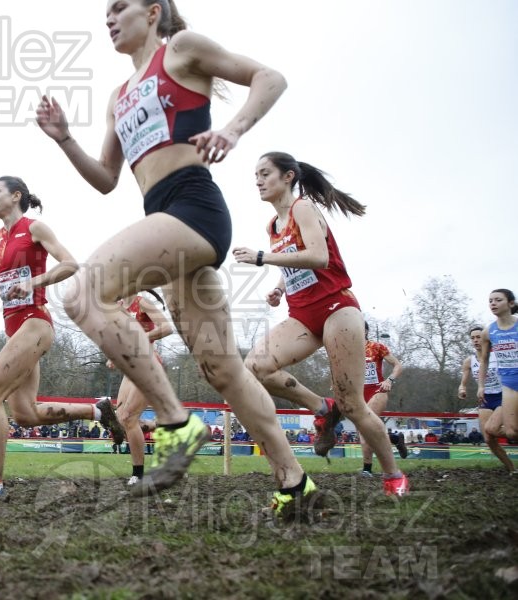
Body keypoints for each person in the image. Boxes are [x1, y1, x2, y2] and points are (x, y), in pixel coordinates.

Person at [37, 0, 317, 515]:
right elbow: (105, 179)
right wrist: (65, 140)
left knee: (82, 293)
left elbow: (270, 78)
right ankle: (294, 482)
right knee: (223, 369)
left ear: (152, 12)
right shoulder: (118, 97)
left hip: (194, 206)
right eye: (105, 11)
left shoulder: (181, 50)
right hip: (165, 220)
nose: (108, 16)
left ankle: (174, 421)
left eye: (119, 6)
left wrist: (232, 131)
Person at [233, 151, 409, 497]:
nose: (257, 180)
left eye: (265, 173)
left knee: (352, 403)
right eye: (255, 174)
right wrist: (279, 288)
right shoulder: (272, 226)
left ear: (288, 177)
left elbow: (318, 256)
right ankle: (320, 407)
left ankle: (393, 474)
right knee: (256, 365)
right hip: (302, 313)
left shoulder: (303, 208)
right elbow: (296, 263)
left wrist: (261, 257)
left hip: (337, 308)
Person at [0, 176, 125, 498]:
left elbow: (70, 264)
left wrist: (34, 283)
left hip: (35, 324)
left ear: (15, 195)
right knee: (24, 414)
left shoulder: (35, 229)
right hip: (14, 331)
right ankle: (98, 411)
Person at [106, 290, 174, 485]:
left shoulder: (143, 303)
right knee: (122, 420)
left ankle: (138, 474)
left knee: (128, 417)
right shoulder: (117, 307)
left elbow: (167, 328)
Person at [459, 325, 514, 472]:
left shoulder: (497, 354)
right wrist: (462, 389)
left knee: (493, 428)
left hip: (503, 396)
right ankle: (512, 469)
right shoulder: (469, 361)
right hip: (485, 399)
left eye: (479, 337)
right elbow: (463, 382)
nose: (476, 340)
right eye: (473, 338)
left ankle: (512, 431)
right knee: (489, 439)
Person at [360, 322, 408, 476]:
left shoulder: (376, 347)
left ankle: (367, 469)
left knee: (366, 426)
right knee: (366, 430)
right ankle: (395, 438)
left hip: (377, 390)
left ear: (366, 330)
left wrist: (389, 380)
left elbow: (398, 365)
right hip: (358, 394)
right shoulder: (348, 348)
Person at [476, 289, 518, 444]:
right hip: (508, 384)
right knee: (511, 432)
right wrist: (481, 386)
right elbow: (484, 360)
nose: (493, 303)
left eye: (498, 300)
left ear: (510, 303)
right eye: (490, 300)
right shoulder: (488, 332)